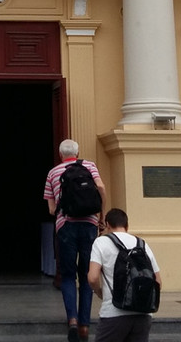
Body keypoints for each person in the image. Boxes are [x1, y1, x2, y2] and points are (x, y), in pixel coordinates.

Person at [44, 139, 107, 341]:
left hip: (66, 227)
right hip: (89, 225)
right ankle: (85, 326)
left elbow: (52, 209)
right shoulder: (89, 166)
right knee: (88, 274)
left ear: (60, 154)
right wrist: (102, 216)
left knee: (68, 275)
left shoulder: (53, 173)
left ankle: (72, 319)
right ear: (78, 153)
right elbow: (101, 188)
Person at [88, 208, 162, 342]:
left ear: (108, 224)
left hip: (114, 313)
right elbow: (158, 282)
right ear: (127, 226)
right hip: (143, 314)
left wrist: (99, 292)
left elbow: (92, 277)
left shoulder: (101, 242)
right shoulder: (143, 244)